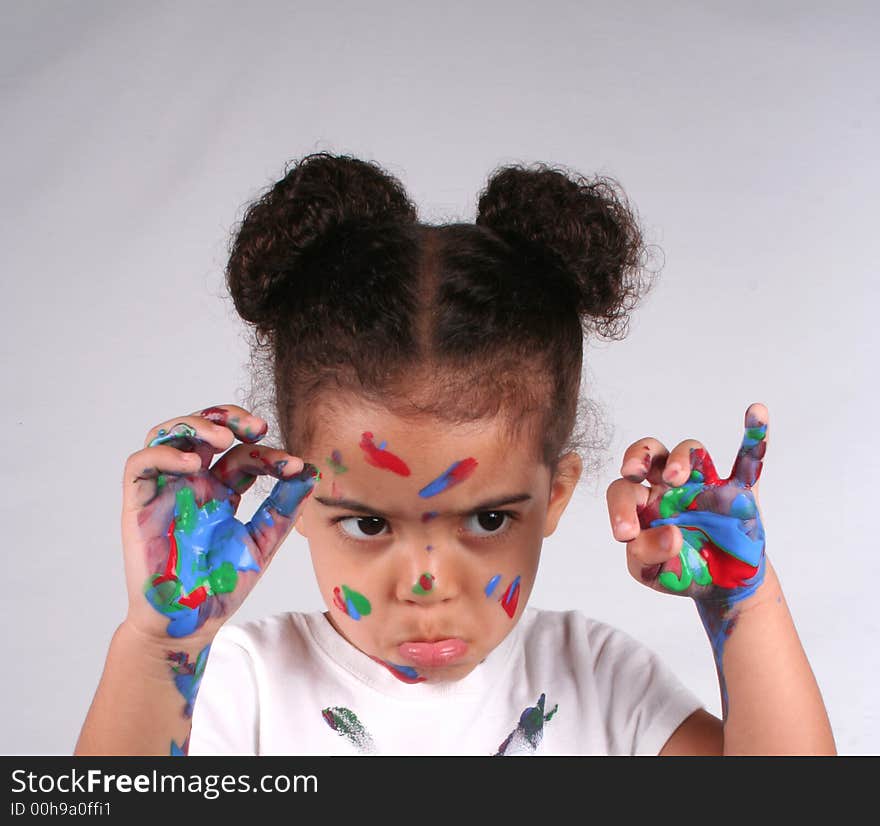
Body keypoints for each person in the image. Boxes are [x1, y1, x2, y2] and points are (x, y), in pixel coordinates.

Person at [75, 152, 835, 756]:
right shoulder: (239, 690)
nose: (428, 582)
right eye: (370, 525)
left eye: (490, 517)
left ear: (557, 494)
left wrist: (747, 605)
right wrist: (158, 651)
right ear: (291, 499)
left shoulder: (600, 683)